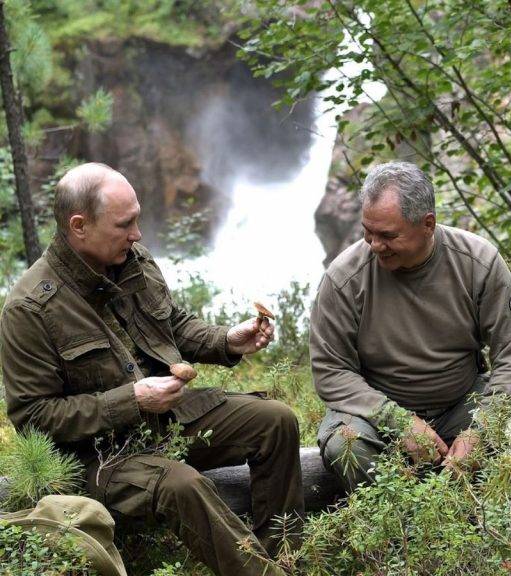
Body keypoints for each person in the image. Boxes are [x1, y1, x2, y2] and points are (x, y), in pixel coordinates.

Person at [0, 163, 303, 576]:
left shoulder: (131, 258)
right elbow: (34, 418)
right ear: (79, 226)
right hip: (101, 458)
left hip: (168, 422)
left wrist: (226, 340)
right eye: (125, 223)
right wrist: (133, 400)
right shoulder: (30, 308)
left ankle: (282, 555)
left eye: (137, 218)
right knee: (183, 485)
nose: (138, 233)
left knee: (276, 421)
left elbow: (172, 323)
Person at [310, 161, 511, 492]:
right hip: (378, 414)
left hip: (461, 403)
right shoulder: (344, 278)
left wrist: (481, 430)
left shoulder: (478, 263)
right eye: (367, 232)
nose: (374, 245)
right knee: (345, 447)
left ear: (427, 224)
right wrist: (399, 423)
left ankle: (482, 523)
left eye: (387, 235)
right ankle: (405, 530)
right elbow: (331, 371)